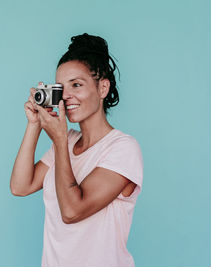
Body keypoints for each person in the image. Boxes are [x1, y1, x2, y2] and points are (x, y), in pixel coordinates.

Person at [10, 33, 143, 267]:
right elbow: (20, 186)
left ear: (102, 88)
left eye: (77, 85)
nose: (67, 96)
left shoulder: (122, 148)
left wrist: (60, 141)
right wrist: (34, 125)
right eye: (61, 88)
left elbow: (72, 211)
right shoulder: (67, 141)